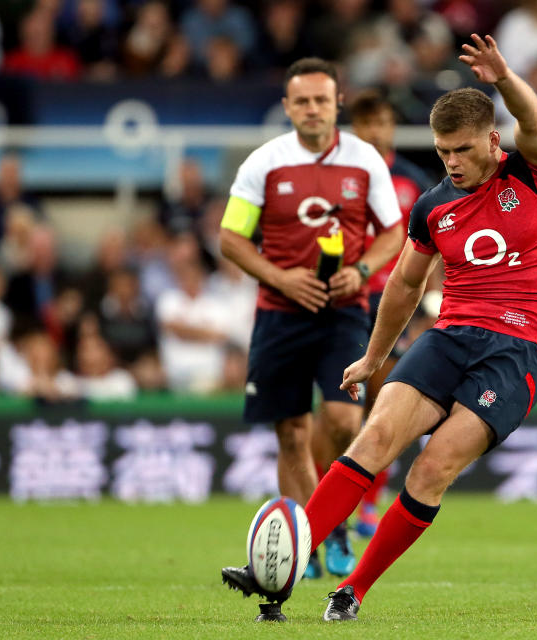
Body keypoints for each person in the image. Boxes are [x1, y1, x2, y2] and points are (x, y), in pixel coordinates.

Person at [222, 33, 537, 623]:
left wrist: (506, 81)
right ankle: (281, 567)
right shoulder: (433, 205)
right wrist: (374, 356)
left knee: (432, 468)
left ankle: (353, 588)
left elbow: (536, 124)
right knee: (373, 439)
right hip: (451, 333)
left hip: (521, 346)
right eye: (441, 152)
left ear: (491, 140)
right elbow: (407, 285)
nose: (451, 163)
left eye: (461, 150)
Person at [217, 58, 403, 584]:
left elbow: (393, 230)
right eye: (302, 101)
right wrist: (281, 277)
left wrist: (363, 268)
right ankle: (309, 547)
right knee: (292, 432)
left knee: (344, 419)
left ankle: (332, 525)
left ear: (337, 102)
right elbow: (231, 239)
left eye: (322, 99)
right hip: (281, 314)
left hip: (344, 311)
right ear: (287, 107)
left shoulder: (364, 160)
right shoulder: (264, 162)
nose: (313, 109)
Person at [346, 89, 433, 538]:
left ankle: (370, 498)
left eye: (381, 120)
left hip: (392, 304)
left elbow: (435, 248)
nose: (374, 130)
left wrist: (427, 305)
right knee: (343, 411)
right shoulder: (342, 177)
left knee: (383, 404)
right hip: (346, 301)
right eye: (365, 122)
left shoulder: (413, 181)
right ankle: (345, 495)